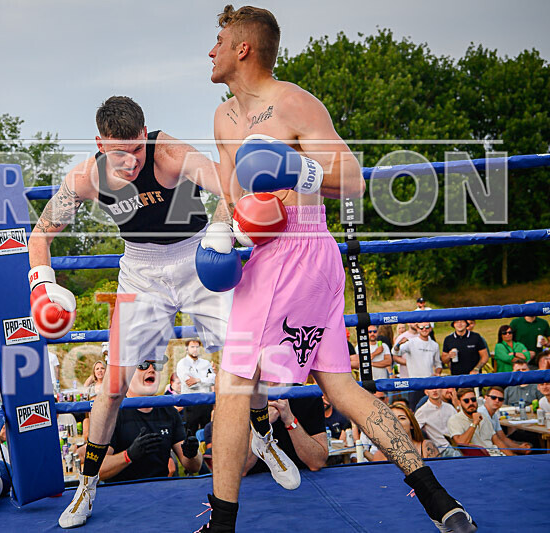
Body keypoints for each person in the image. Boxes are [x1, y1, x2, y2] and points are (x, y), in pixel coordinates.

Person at [198, 6, 474, 532]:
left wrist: (294, 170)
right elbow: (233, 196)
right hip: (266, 257)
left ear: (243, 49)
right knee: (341, 387)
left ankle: (222, 526)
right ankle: (441, 502)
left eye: (218, 40)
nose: (209, 51)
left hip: (299, 251)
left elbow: (352, 178)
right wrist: (219, 234)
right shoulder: (223, 118)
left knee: (233, 386)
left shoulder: (294, 103)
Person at [26, 96, 234, 529]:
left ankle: (266, 437)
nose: (131, 163)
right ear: (100, 144)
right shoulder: (87, 177)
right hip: (141, 271)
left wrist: (221, 228)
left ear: (146, 135)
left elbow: (231, 185)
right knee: (115, 384)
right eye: (119, 154)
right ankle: (85, 487)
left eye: (137, 150)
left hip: (196, 258)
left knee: (242, 361)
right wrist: (43, 284)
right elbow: (40, 234)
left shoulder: (173, 155)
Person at [96, 359, 201, 482]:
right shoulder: (112, 413)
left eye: (156, 365)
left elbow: (194, 466)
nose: (151, 369)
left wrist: (192, 453)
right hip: (123, 493)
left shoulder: (169, 411)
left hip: (160, 491)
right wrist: (128, 455)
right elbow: (98, 469)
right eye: (143, 365)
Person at [243, 396, 328, 476]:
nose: (273, 381)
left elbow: (317, 463)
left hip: (302, 482)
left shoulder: (307, 397)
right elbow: (241, 469)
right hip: (255, 483)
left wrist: (290, 419)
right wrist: (261, 424)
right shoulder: (241, 400)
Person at [393, 323, 442, 409]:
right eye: (421, 327)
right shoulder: (411, 342)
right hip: (414, 383)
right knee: (414, 410)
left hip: (429, 384)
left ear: (430, 328)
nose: (424, 329)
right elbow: (396, 352)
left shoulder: (434, 345)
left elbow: (438, 364)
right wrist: (398, 344)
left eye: (427, 327)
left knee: (430, 409)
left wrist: (437, 373)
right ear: (418, 329)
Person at [446, 389, 504, 456]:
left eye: (473, 400)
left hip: (495, 454)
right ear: (459, 402)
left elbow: (497, 441)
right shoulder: (454, 420)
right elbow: (461, 444)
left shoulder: (484, 417)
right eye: (466, 401)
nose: (471, 403)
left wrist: (512, 457)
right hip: (477, 459)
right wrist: (474, 423)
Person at [372, 404, 440, 461]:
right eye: (391, 419)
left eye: (402, 418)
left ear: (411, 425)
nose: (397, 423)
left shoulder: (426, 447)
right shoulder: (380, 455)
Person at [176, 339, 216, 433]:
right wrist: (205, 379)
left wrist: (198, 379)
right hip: (191, 402)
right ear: (187, 349)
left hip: (206, 402)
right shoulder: (182, 364)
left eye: (197, 347)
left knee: (207, 432)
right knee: (190, 432)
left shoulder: (205, 363)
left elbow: (213, 380)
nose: (195, 349)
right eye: (192, 347)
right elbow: (190, 384)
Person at [478, 386, 531, 455]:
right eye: (493, 398)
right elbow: (497, 442)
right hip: (486, 451)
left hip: (493, 447)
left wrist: (520, 448)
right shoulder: (482, 413)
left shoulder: (494, 415)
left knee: (530, 444)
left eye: (500, 399)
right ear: (485, 398)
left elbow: (503, 438)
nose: (497, 401)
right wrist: (514, 456)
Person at [415, 389, 459, 458]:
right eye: (431, 388)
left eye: (436, 387)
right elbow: (414, 430)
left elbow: (459, 425)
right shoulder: (422, 411)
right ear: (426, 392)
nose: (434, 390)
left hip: (455, 446)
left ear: (441, 389)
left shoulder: (449, 408)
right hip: (439, 450)